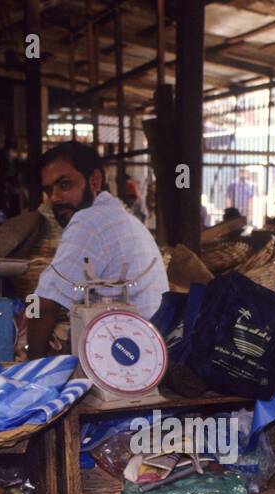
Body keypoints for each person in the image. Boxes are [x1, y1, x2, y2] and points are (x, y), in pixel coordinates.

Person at [23, 141, 168, 358]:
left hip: (130, 357)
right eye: (48, 190)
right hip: (146, 351)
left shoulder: (88, 220)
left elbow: (42, 305)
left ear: (95, 180)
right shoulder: (120, 217)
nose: (54, 198)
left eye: (64, 185)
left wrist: (32, 368)